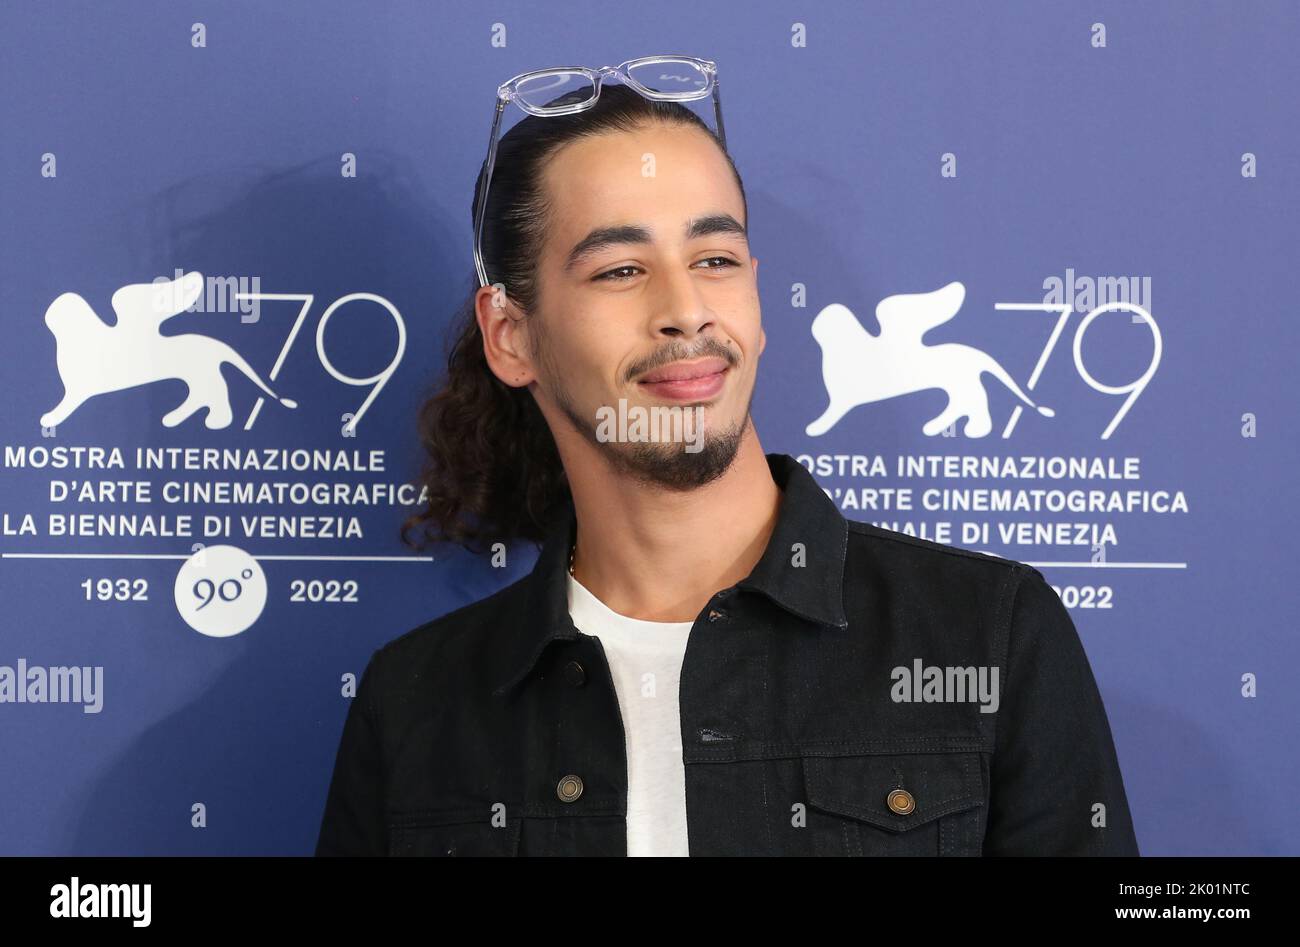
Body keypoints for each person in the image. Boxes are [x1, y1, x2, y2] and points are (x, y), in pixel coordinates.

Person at [315, 67, 1139, 857]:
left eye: (714, 258)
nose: (685, 311)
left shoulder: (986, 636)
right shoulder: (414, 701)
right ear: (512, 336)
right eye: (621, 269)